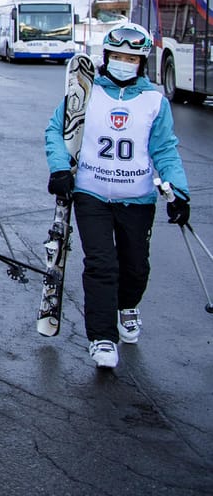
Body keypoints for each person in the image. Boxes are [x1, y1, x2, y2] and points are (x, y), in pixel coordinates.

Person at [43, 23, 189, 369]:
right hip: (92, 193)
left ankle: (127, 305)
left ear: (142, 63)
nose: (124, 62)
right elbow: (56, 131)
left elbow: (165, 149)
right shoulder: (86, 92)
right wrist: (60, 169)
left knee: (135, 267)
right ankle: (102, 337)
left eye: (131, 58)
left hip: (137, 198)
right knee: (100, 264)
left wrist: (178, 192)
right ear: (106, 57)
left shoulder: (154, 101)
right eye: (117, 56)